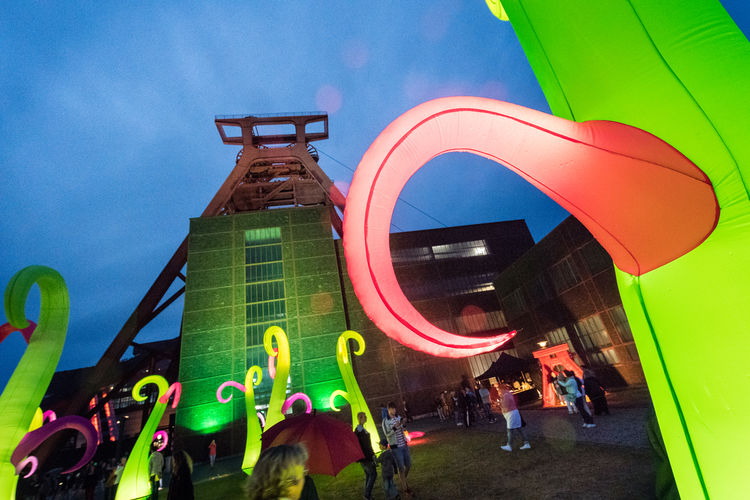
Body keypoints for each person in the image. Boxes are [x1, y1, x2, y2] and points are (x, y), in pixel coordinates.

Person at [382, 401, 414, 496]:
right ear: (388, 410)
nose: (394, 411)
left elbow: (404, 429)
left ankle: (403, 479)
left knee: (408, 465)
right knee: (401, 468)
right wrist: (395, 428)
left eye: (395, 409)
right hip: (396, 448)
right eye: (392, 409)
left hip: (404, 445)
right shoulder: (385, 421)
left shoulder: (398, 417)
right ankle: (405, 489)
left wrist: (403, 424)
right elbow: (387, 434)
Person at [499, 384, 531, 452]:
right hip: (512, 413)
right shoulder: (507, 394)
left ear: (502, 389)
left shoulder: (506, 395)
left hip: (511, 414)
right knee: (519, 429)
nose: (498, 391)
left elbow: (505, 405)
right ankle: (526, 443)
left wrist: (500, 404)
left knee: (510, 430)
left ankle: (509, 445)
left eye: (498, 390)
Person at [354, 412, 377, 500]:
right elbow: (365, 446)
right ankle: (367, 495)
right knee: (373, 474)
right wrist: (372, 455)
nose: (366, 417)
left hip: (364, 457)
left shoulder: (360, 430)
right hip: (366, 457)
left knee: (368, 475)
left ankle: (367, 495)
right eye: (364, 416)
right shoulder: (360, 431)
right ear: (360, 418)